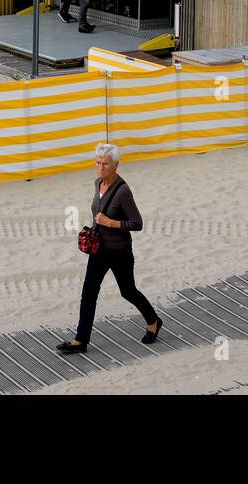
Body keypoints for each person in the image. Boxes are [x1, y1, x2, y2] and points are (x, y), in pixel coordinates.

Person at [55, 143, 161, 354]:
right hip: (99, 250)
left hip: (119, 251)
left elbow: (137, 223)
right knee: (88, 293)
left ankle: (153, 320)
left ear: (116, 165)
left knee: (128, 291)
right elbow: (98, 213)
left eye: (105, 163)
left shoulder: (123, 191)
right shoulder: (97, 184)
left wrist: (111, 223)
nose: (100, 167)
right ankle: (80, 340)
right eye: (97, 162)